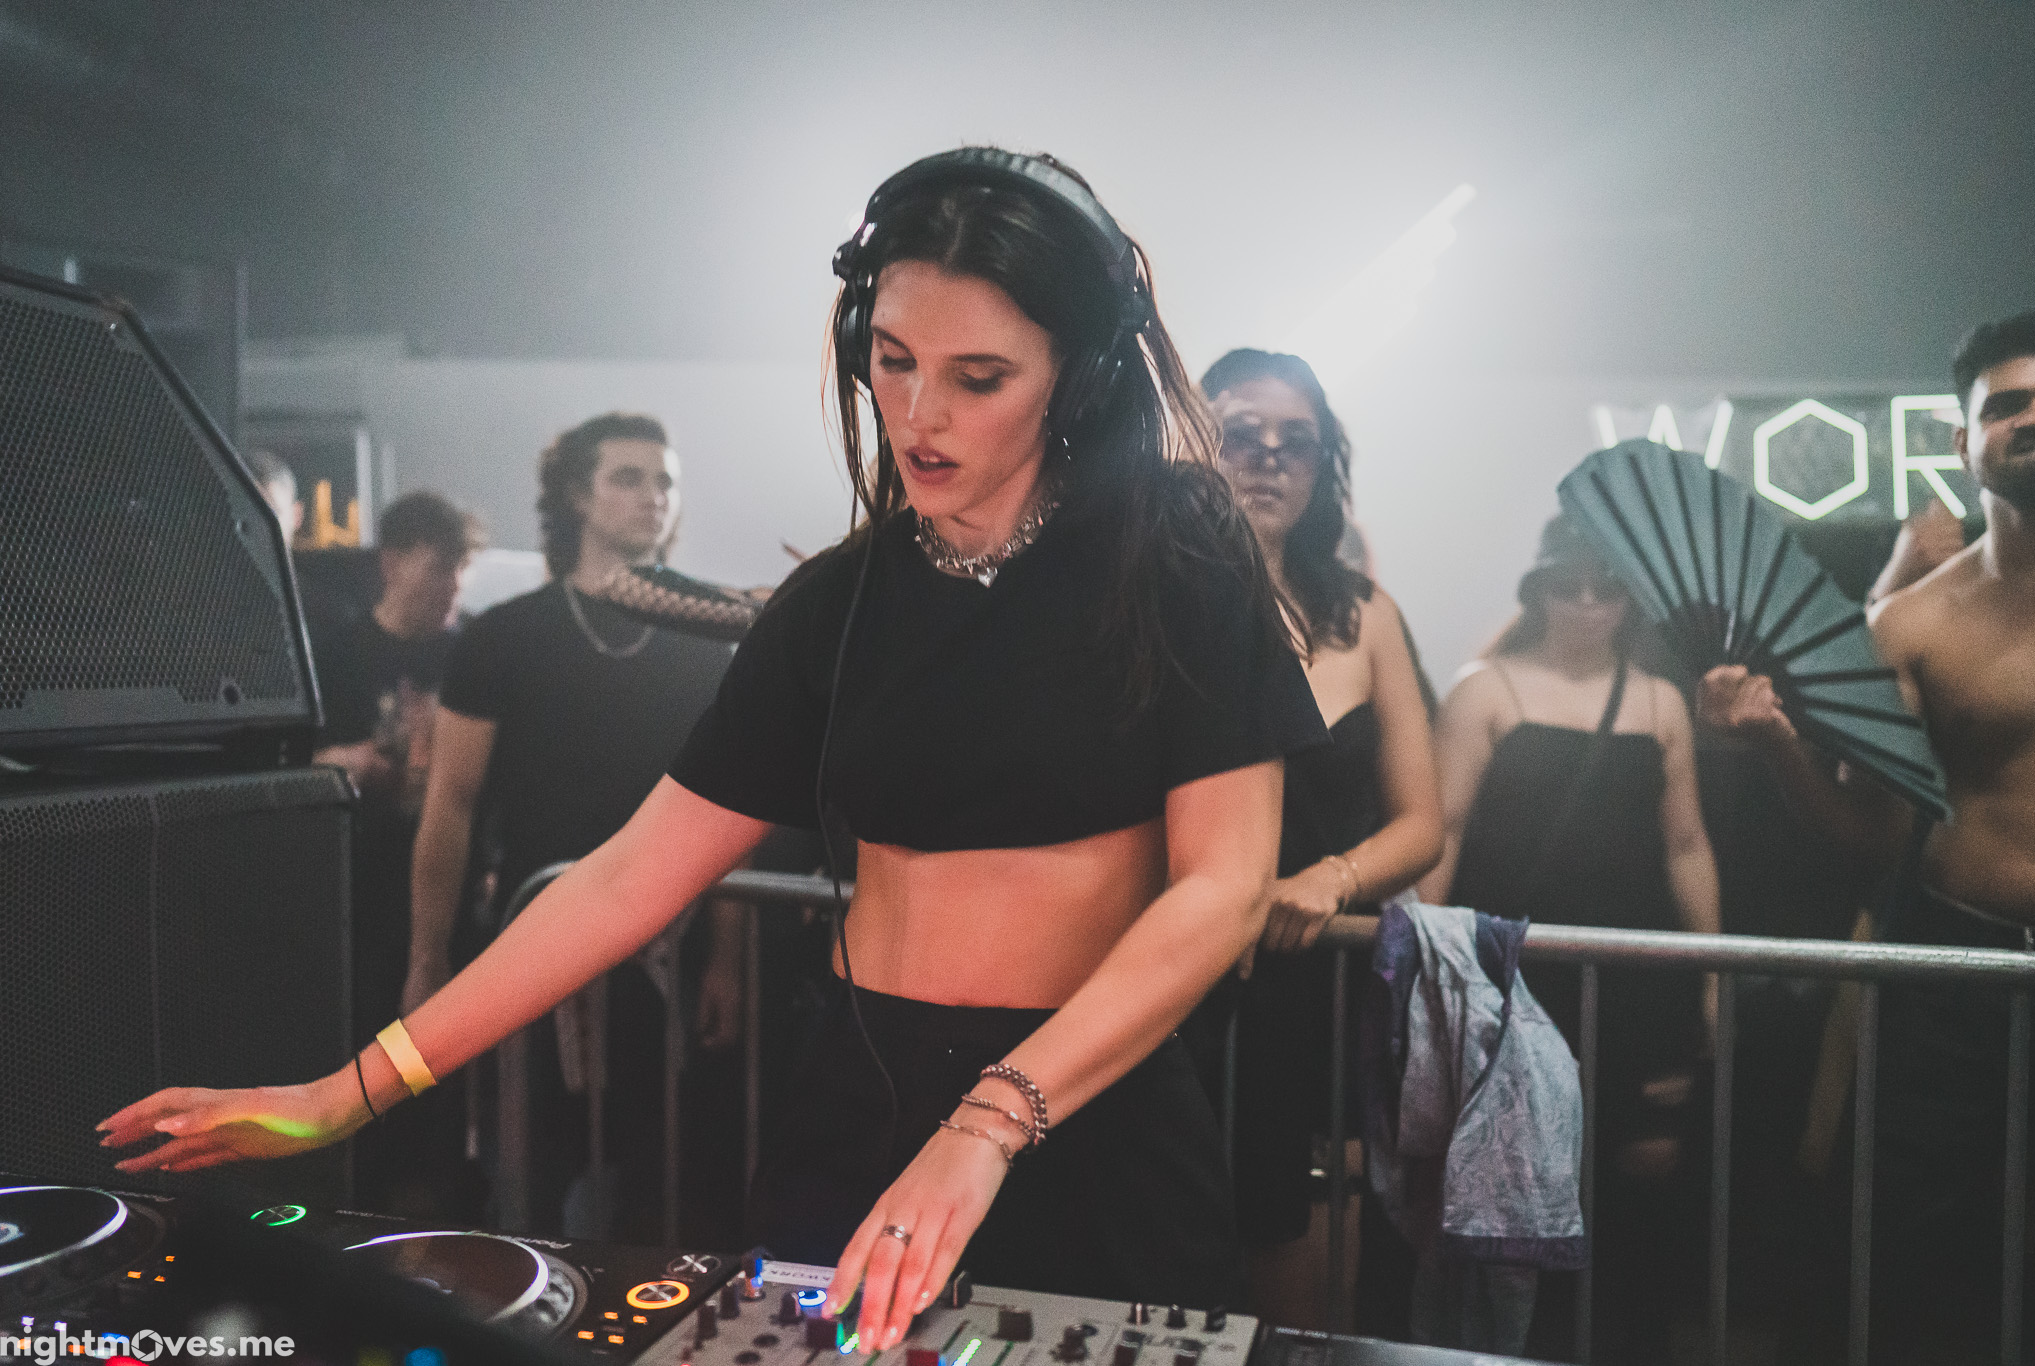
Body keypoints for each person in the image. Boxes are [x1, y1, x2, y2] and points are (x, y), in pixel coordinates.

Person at [98, 149, 1327, 1339]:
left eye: (979, 377)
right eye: (892, 360)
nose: (918, 413)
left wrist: (988, 1122)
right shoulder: (838, 602)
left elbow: (1222, 888)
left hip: (1084, 1110)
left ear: (1080, 375)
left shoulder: (1173, 558)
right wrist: (347, 1091)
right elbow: (627, 877)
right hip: (856, 1103)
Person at [1699, 308, 2035, 1360]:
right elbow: (1873, 838)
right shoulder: (1907, 623)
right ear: (1963, 441)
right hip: (1962, 976)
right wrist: (1774, 745)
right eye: (2007, 405)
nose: (2034, 417)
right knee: (1927, 1264)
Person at [420, 411, 741, 1240]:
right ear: (577, 495)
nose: (652, 496)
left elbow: (737, 804)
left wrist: (730, 957)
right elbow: (451, 803)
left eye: (664, 481)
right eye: (627, 477)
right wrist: (427, 955)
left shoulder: (707, 641)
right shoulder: (505, 637)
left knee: (666, 1191)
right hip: (535, 943)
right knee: (530, 1181)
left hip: (668, 953)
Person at [1420, 514, 1719, 1363]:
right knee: (1513, 1187)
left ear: (1630, 600)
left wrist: (1710, 975)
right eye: (1568, 585)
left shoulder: (1659, 701)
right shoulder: (1486, 690)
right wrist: (1424, 971)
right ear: (1539, 591)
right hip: (1514, 981)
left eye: (1606, 587)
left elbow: (1686, 844)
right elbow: (1442, 830)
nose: (1588, 603)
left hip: (1641, 983)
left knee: (1641, 1186)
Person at [1187, 348, 1442, 1327]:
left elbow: (1421, 823)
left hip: (1320, 977)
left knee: (1305, 1257)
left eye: (1295, 441)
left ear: (1322, 463)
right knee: (1174, 1234)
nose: (1267, 458)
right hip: (1182, 967)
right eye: (1240, 434)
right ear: (1194, 443)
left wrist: (1329, 879)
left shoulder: (1366, 615)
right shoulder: (1149, 597)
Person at [309, 488, 484, 1219]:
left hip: (457, 886)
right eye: (439, 568)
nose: (452, 587)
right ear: (391, 563)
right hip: (362, 885)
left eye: (461, 570)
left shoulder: (471, 651)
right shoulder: (336, 653)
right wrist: (339, 762)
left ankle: (439, 1200)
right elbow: (284, 759)